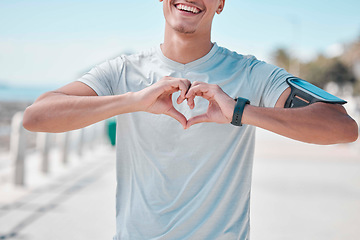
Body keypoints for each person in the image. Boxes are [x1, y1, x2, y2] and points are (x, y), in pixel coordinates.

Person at [23, 0, 358, 239]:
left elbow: (342, 127)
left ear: (221, 4)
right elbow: (37, 116)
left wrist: (239, 111)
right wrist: (133, 101)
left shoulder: (250, 73)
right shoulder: (124, 71)